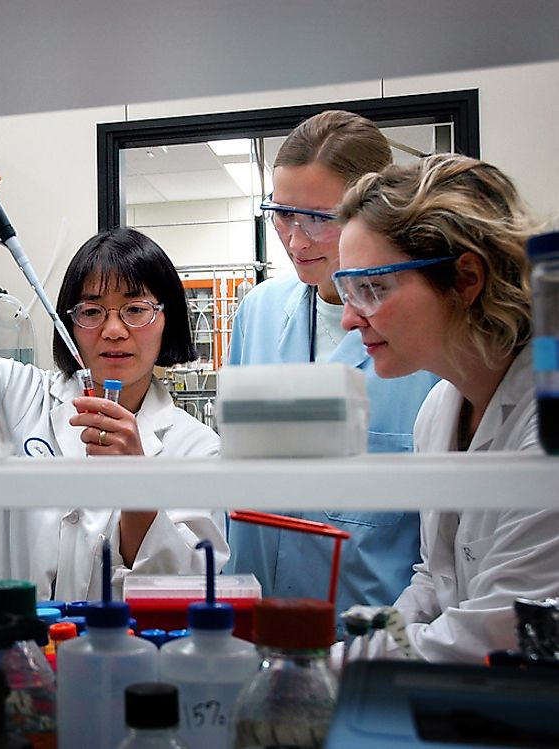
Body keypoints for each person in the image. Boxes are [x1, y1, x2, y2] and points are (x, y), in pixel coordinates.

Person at [0, 142, 225, 602]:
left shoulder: (197, 449)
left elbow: (188, 589)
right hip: (8, 655)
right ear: (70, 322)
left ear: (168, 320)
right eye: (91, 311)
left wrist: (138, 482)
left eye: (135, 309)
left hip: (118, 665)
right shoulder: (18, 395)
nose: (113, 330)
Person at [333, 153, 558, 662]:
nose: (350, 319)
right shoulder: (440, 407)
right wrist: (360, 650)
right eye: (345, 290)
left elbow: (502, 630)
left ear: (465, 279)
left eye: (370, 288)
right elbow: (439, 579)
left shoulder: (548, 421)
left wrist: (326, 676)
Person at [225, 111, 439, 625]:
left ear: (373, 209)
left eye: (320, 218)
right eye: (281, 214)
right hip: (255, 624)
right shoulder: (259, 312)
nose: (296, 242)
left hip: (375, 638)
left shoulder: (422, 332)